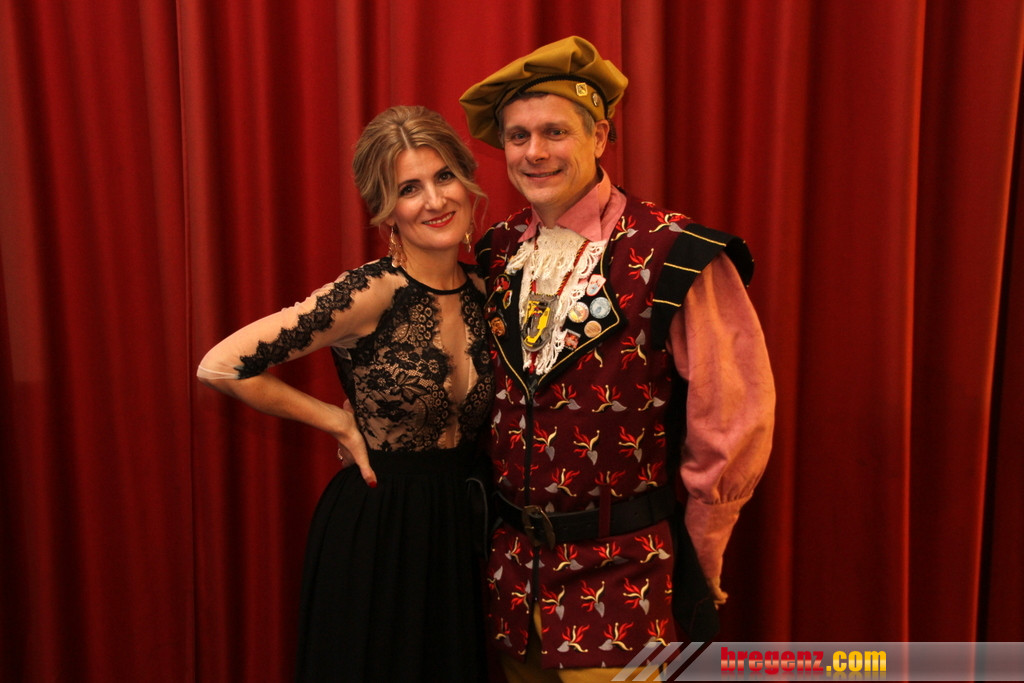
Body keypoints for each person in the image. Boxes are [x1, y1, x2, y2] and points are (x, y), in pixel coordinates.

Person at [459, 36, 775, 680]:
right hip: (513, 579)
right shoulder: (496, 251)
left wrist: (703, 552)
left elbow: (731, 421)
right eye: (518, 137)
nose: (534, 152)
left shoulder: (677, 251)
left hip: (623, 580)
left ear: (599, 135)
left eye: (555, 132)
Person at [196, 105, 494, 681]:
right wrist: (336, 422)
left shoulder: (489, 290)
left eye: (444, 176)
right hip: (378, 531)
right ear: (386, 208)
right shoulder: (369, 292)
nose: (434, 200)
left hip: (458, 533)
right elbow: (221, 365)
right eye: (409, 188)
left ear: (466, 179)